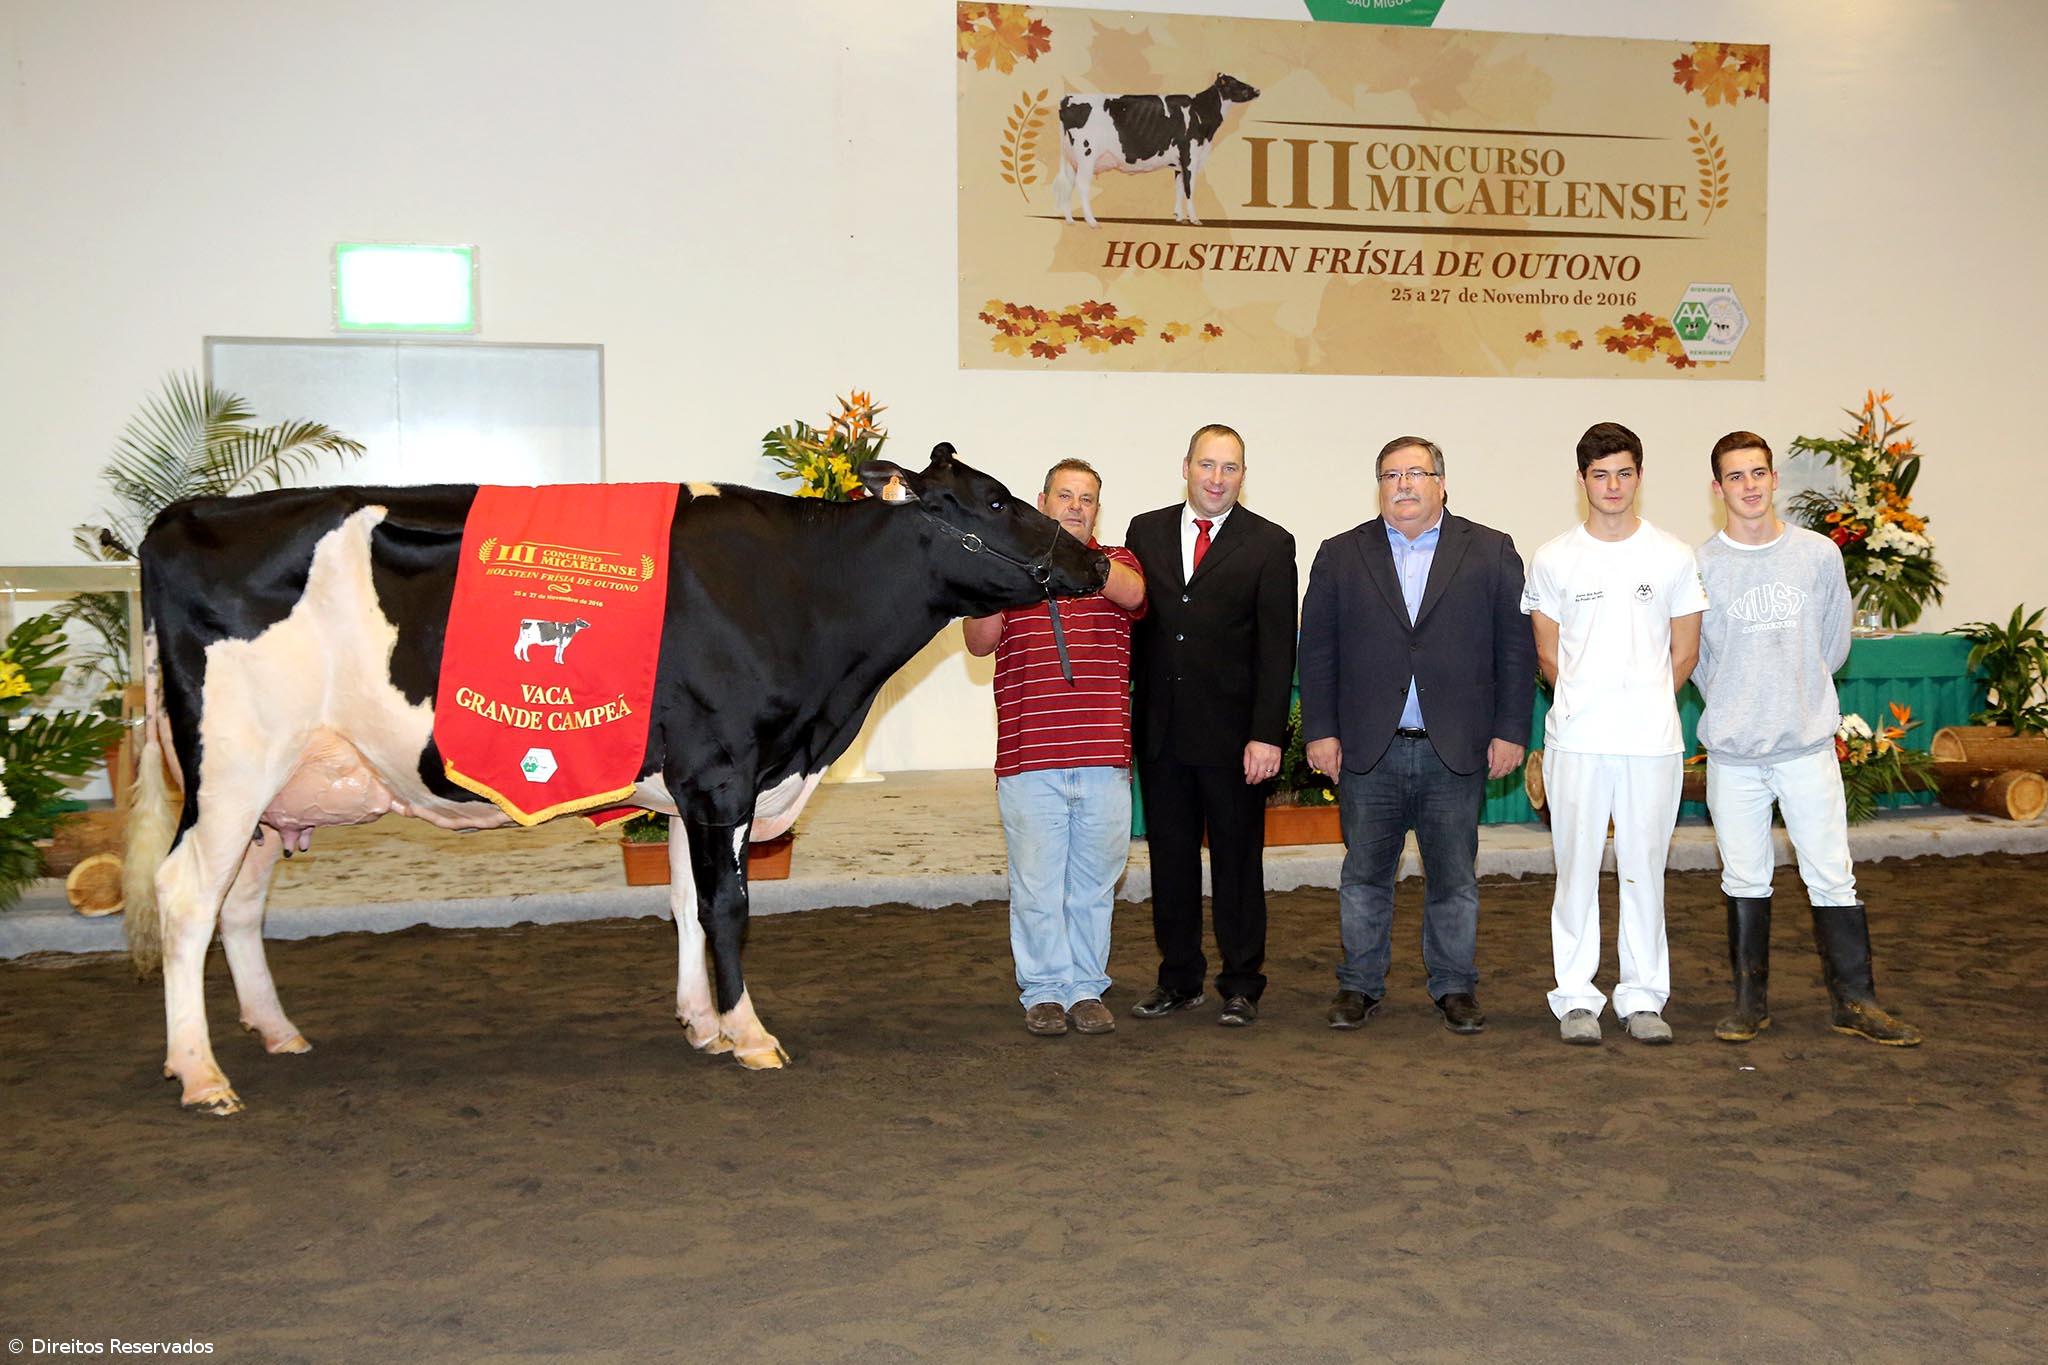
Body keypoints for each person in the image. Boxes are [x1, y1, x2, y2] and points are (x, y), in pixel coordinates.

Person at [1298, 437, 1535, 1035]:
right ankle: (1359, 985)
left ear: (1442, 483)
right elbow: (1317, 653)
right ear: (1378, 486)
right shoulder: (1339, 554)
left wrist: (1511, 730)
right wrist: (1320, 732)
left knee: (1454, 879)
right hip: (1366, 750)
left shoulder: (1491, 550)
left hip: (1453, 748)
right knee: (1363, 877)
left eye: (1416, 473)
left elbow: (1515, 649)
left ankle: (1455, 986)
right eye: (1390, 475)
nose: (1403, 485)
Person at [1693, 431, 1922, 1046]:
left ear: (1773, 480)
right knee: (1743, 878)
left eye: (1758, 473)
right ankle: (1750, 1004)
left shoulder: (1818, 555)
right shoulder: (1700, 565)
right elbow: (1696, 660)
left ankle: (1856, 1001)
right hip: (1735, 753)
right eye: (1736, 476)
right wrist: (1742, 704)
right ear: (1718, 489)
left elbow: (1832, 644)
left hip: (1806, 747)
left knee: (1832, 875)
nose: (1749, 485)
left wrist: (1794, 698)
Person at [1521, 421, 1708, 1046]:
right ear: (1582, 481)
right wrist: (1585, 705)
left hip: (1652, 743)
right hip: (1576, 742)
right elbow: (1548, 657)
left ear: (1639, 477)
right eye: (1600, 474)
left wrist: (1644, 703)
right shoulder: (1553, 558)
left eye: (1624, 473)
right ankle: (1575, 996)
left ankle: (1642, 996)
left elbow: (1684, 655)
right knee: (1574, 869)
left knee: (1643, 870)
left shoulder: (1674, 556)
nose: (1613, 485)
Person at [964, 459, 1148, 1038]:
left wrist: (1066, 557)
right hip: (1029, 757)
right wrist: (1007, 568)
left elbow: (1135, 594)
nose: (1075, 506)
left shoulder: (1116, 562)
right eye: (1064, 496)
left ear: (1098, 508)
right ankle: (1043, 991)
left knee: (1093, 886)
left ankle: (1087, 989)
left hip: (1102, 758)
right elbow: (977, 641)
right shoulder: (1007, 568)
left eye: (1087, 498)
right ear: (1041, 502)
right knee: (1037, 885)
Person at [1124, 424, 1298, 1027]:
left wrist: (1267, 735)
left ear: (1242, 475)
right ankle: (1178, 980)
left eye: (1229, 468)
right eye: (1207, 465)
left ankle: (1242, 983)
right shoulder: (1143, 531)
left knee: (1237, 864)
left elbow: (1278, 650)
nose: (1216, 478)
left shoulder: (1271, 544)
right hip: (1163, 735)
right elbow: (1138, 631)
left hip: (1235, 741)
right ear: (1186, 466)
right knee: (1169, 862)